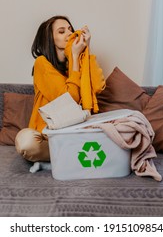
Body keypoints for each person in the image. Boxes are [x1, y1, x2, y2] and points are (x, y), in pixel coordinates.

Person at [15, 15, 106, 165]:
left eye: (70, 29)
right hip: (47, 136)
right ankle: (78, 155)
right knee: (27, 142)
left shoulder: (77, 63)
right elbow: (68, 100)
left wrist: (86, 49)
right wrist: (75, 56)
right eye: (61, 31)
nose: (70, 33)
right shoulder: (41, 63)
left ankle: (69, 156)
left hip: (74, 132)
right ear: (50, 39)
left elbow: (97, 86)